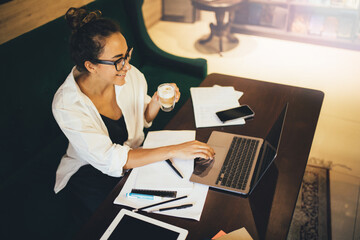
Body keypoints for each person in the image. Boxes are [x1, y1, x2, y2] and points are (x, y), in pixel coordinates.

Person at [52, 7, 215, 222]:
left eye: (127, 54)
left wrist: (155, 101)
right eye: (118, 60)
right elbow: (110, 159)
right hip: (92, 172)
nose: (127, 66)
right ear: (90, 66)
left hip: (131, 157)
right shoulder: (67, 105)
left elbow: (143, 118)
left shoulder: (128, 75)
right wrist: (175, 149)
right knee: (132, 219)